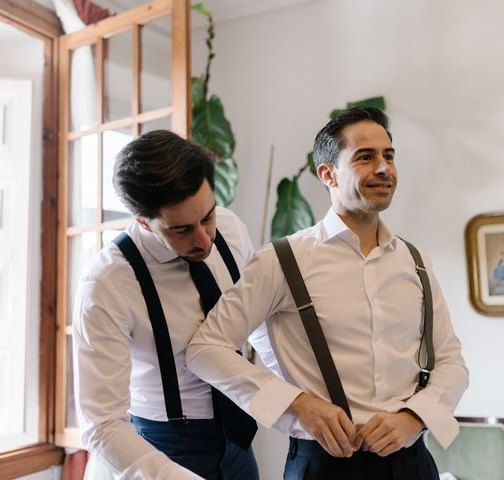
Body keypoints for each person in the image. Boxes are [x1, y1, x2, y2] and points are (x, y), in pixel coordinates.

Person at [186, 107, 469, 479]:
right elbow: (206, 349)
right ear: (328, 174)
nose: (383, 168)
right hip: (322, 467)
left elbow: (451, 361)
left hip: (413, 464)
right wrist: (297, 404)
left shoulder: (415, 261)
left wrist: (416, 417)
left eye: (389, 156)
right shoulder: (282, 260)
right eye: (365, 157)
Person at [72, 130, 264, 479]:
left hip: (237, 439)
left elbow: (261, 318)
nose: (204, 239)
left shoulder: (232, 231)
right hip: (162, 450)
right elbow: (101, 424)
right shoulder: (106, 283)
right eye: (182, 230)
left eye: (208, 217)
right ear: (143, 221)